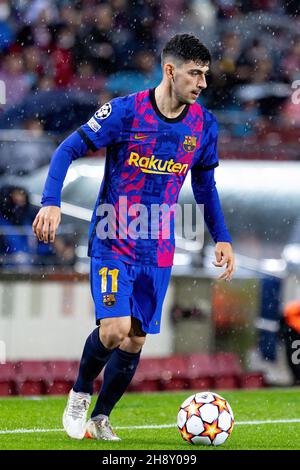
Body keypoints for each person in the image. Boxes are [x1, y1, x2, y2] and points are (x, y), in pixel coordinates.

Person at [32, 34, 235, 441]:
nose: (202, 83)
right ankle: (78, 393)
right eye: (194, 73)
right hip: (112, 238)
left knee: (135, 339)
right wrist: (51, 201)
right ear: (170, 70)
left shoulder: (203, 126)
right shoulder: (124, 112)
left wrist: (222, 237)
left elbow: (206, 188)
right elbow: (66, 150)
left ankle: (101, 418)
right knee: (114, 329)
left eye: (205, 75)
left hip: (158, 248)